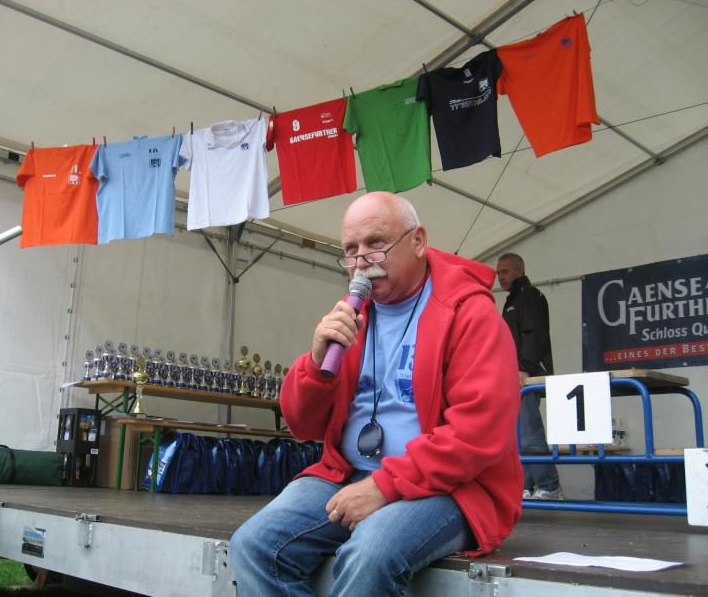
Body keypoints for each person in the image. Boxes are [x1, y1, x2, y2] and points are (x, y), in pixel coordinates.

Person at [230, 192, 523, 596]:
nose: (361, 260)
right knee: (254, 546)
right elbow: (301, 424)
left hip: (450, 488)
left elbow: (478, 433)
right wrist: (315, 364)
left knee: (369, 554)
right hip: (346, 475)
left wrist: (384, 486)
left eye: (375, 243)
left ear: (418, 241)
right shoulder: (351, 315)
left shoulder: (471, 314)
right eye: (350, 250)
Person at [496, 253, 563, 500]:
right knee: (517, 433)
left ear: (519, 270)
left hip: (527, 376)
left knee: (529, 432)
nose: (500, 277)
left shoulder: (530, 296)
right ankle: (524, 485)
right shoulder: (512, 300)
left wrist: (523, 367)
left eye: (505, 272)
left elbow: (534, 334)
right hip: (514, 376)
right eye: (498, 273)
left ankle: (550, 486)